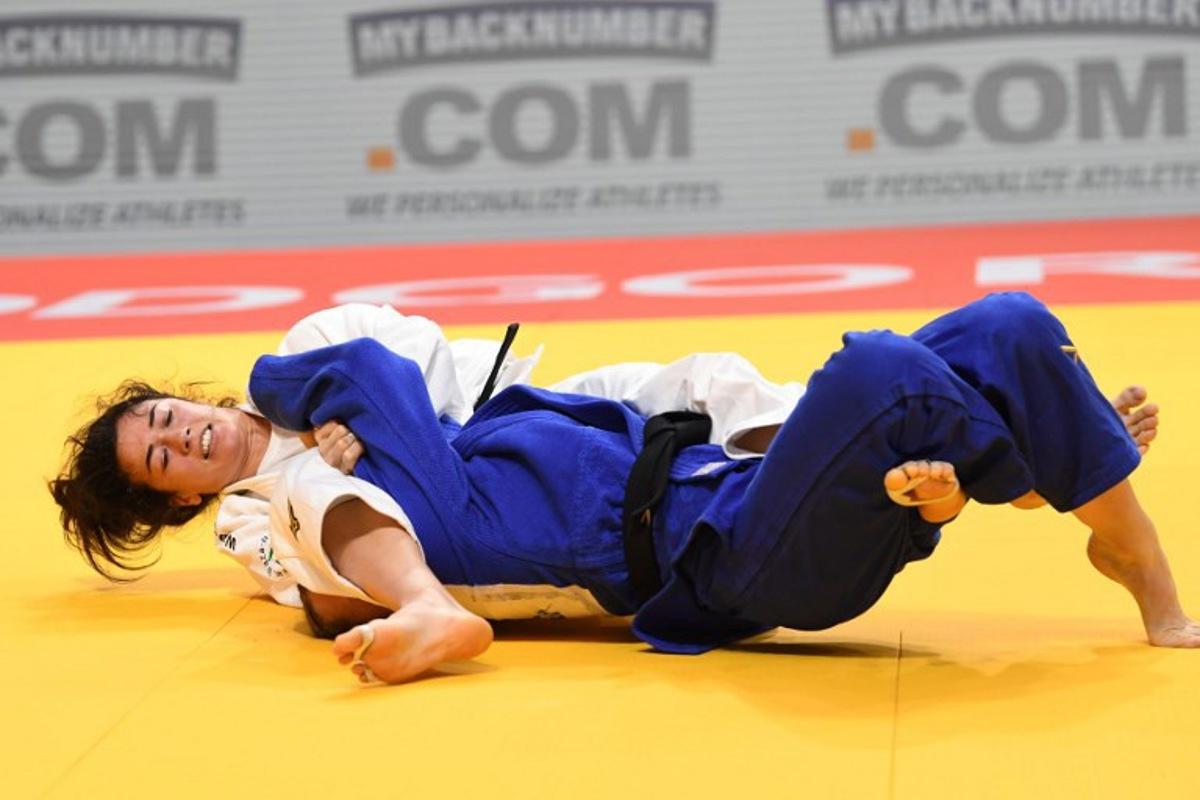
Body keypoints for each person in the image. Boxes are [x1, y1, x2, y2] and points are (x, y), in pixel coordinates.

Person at [52, 294, 1190, 687]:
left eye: (168, 417)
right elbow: (308, 583)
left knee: (1006, 323)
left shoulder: (346, 382)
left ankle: (1077, 500)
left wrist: (322, 409)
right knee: (883, 373)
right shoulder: (264, 511)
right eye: (165, 459)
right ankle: (1029, 459)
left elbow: (409, 363)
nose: (183, 436)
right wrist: (317, 449)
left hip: (700, 475)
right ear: (178, 500)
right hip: (713, 559)